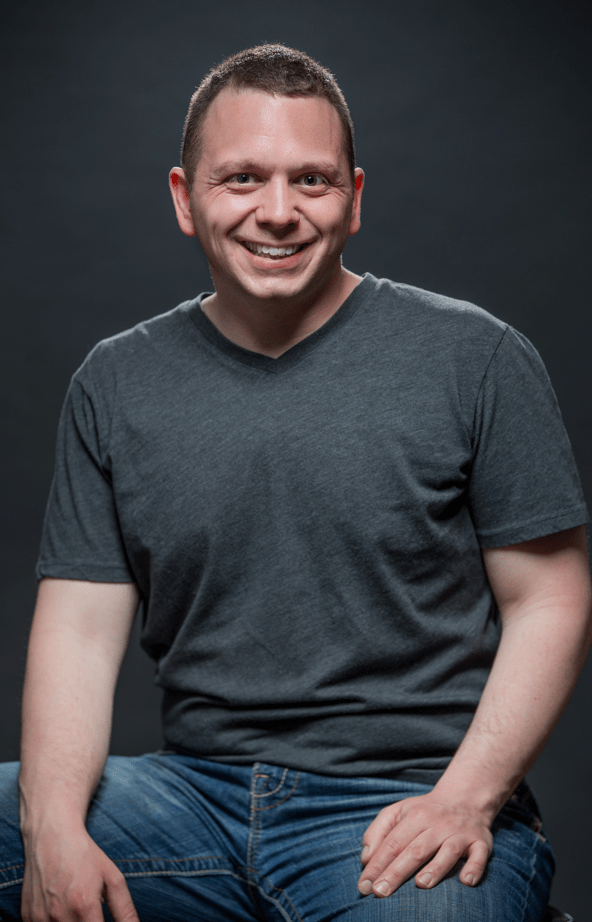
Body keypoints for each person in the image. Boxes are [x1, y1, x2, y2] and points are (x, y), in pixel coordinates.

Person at [0, 43, 590, 922]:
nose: (277, 213)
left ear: (355, 198)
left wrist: (465, 799)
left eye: (311, 181)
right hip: (189, 801)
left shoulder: (477, 358)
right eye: (242, 178)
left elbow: (550, 600)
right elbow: (79, 633)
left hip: (403, 800)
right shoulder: (114, 382)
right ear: (184, 199)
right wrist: (52, 832)